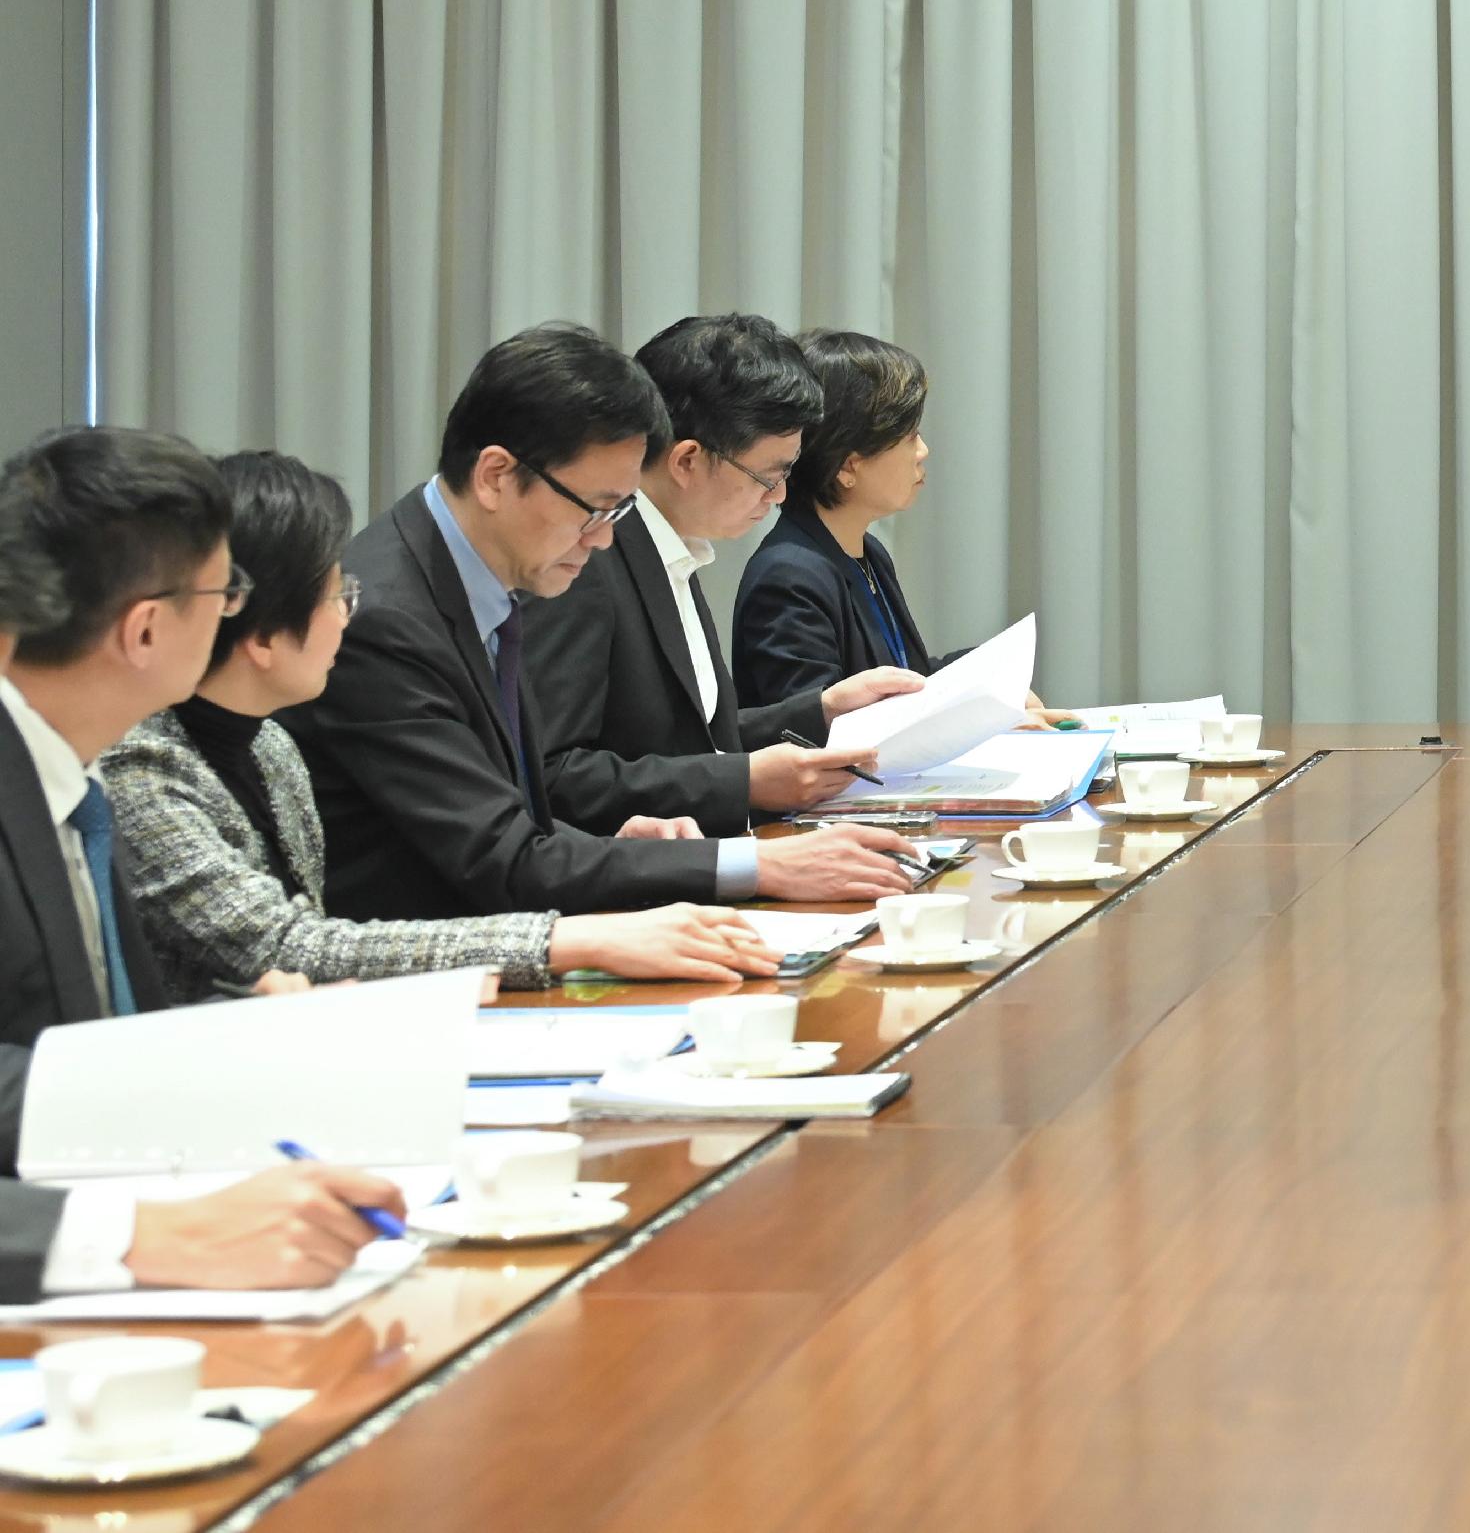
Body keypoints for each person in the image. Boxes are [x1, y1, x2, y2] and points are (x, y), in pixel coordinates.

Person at [286, 326, 920, 920]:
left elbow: (521, 813)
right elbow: (498, 853)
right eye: (596, 509)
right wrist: (750, 863)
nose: (602, 539)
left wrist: (627, 840)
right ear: (496, 476)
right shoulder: (387, 618)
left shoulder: (481, 573)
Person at [103, 450, 782, 1005]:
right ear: (256, 627)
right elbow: (291, 947)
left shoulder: (267, 743)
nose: (349, 614)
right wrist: (575, 941)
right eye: (335, 594)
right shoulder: (140, 766)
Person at [0, 427, 405, 1297]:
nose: (239, 614)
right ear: (146, 629)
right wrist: (142, 1237)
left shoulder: (67, 773)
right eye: (226, 593)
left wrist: (230, 1049)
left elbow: (81, 1044)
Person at [526, 314, 927, 836]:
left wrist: (822, 710)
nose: (781, 495)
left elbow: (688, 739)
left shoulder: (670, 547)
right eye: (769, 475)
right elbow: (552, 775)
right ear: (688, 461)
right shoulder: (587, 562)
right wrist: (741, 781)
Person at [735, 331, 954, 705]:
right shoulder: (789, 578)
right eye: (908, 436)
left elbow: (906, 676)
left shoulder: (869, 552)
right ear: (848, 466)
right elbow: (816, 726)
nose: (923, 451)